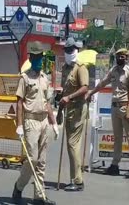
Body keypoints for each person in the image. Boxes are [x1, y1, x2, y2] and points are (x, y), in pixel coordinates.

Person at [12, 41, 58, 205]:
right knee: (32, 159)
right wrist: (19, 125)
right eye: (36, 57)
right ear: (31, 58)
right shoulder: (24, 78)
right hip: (30, 120)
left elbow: (47, 103)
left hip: (44, 120)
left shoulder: (45, 78)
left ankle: (39, 196)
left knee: (42, 161)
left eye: (41, 57)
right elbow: (19, 102)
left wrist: (54, 123)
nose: (39, 60)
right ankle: (18, 186)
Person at [86, 48, 129, 178]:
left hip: (125, 107)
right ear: (115, 57)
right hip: (114, 107)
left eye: (123, 56)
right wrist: (91, 92)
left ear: (126, 58)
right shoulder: (113, 70)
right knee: (117, 139)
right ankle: (115, 165)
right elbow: (103, 83)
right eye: (118, 56)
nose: (120, 58)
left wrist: (128, 111)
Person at [56, 37, 89, 191]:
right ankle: (74, 179)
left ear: (77, 50)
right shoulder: (65, 68)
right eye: (67, 50)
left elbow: (84, 88)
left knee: (72, 145)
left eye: (72, 50)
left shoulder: (80, 67)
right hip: (68, 110)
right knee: (71, 146)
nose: (70, 52)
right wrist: (60, 111)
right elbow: (64, 91)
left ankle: (77, 181)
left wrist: (69, 97)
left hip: (78, 110)